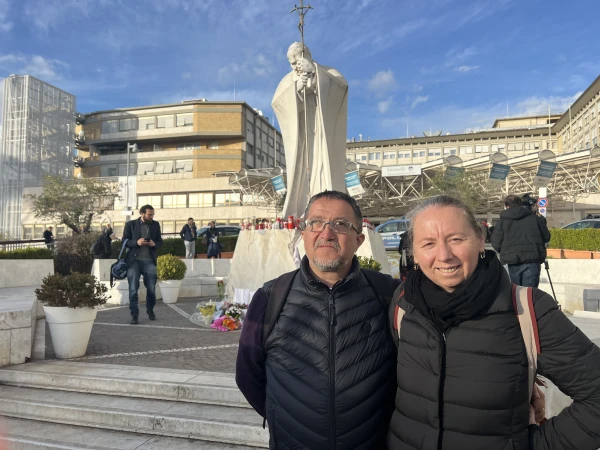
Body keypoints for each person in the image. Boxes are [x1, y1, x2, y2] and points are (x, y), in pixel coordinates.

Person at [388, 195, 600, 450]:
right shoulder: (403, 304)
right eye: (428, 243)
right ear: (414, 254)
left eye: (456, 239)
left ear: (480, 240)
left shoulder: (528, 309)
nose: (444, 255)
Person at [236, 190, 399, 449]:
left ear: (359, 239)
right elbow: (248, 374)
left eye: (341, 225)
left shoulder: (387, 295)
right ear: (304, 233)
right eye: (316, 223)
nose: (327, 233)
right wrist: (284, 418)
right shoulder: (271, 297)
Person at [271, 43, 349, 219]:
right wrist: (297, 89)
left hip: (322, 135)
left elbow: (341, 89)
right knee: (301, 171)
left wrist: (315, 76)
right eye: (291, 64)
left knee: (323, 169)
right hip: (301, 137)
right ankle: (298, 212)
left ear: (307, 55)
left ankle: (328, 210)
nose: (294, 67)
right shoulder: (287, 81)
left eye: (297, 61)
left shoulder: (328, 72)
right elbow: (278, 103)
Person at [491, 194, 551, 287]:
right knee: (530, 294)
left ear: (506, 206)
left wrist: (507, 251)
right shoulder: (535, 218)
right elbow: (546, 237)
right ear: (520, 204)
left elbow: (495, 242)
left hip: (512, 261)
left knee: (515, 293)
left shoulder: (502, 222)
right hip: (533, 260)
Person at [123, 205, 162, 325]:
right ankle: (134, 315)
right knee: (133, 289)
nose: (151, 216)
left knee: (151, 289)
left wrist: (154, 243)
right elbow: (124, 241)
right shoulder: (131, 225)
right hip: (134, 261)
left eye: (152, 214)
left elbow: (160, 242)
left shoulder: (155, 225)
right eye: (149, 214)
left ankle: (150, 309)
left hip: (149, 261)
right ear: (142, 213)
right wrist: (136, 242)